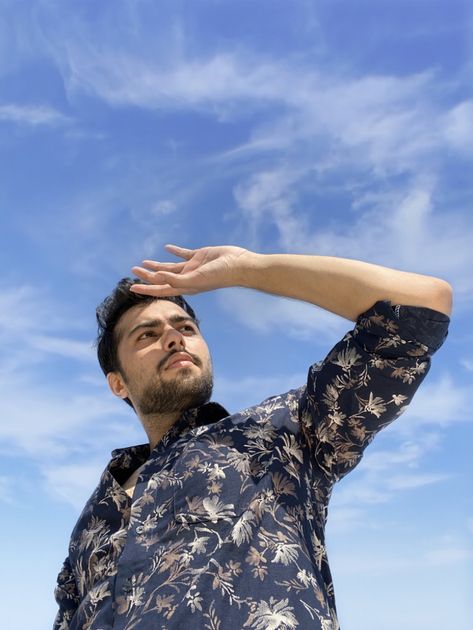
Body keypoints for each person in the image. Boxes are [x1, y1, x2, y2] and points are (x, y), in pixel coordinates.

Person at [53, 244, 452, 630]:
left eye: (185, 327)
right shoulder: (94, 516)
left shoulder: (283, 432)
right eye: (147, 335)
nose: (174, 338)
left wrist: (248, 268)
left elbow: (422, 306)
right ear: (117, 383)